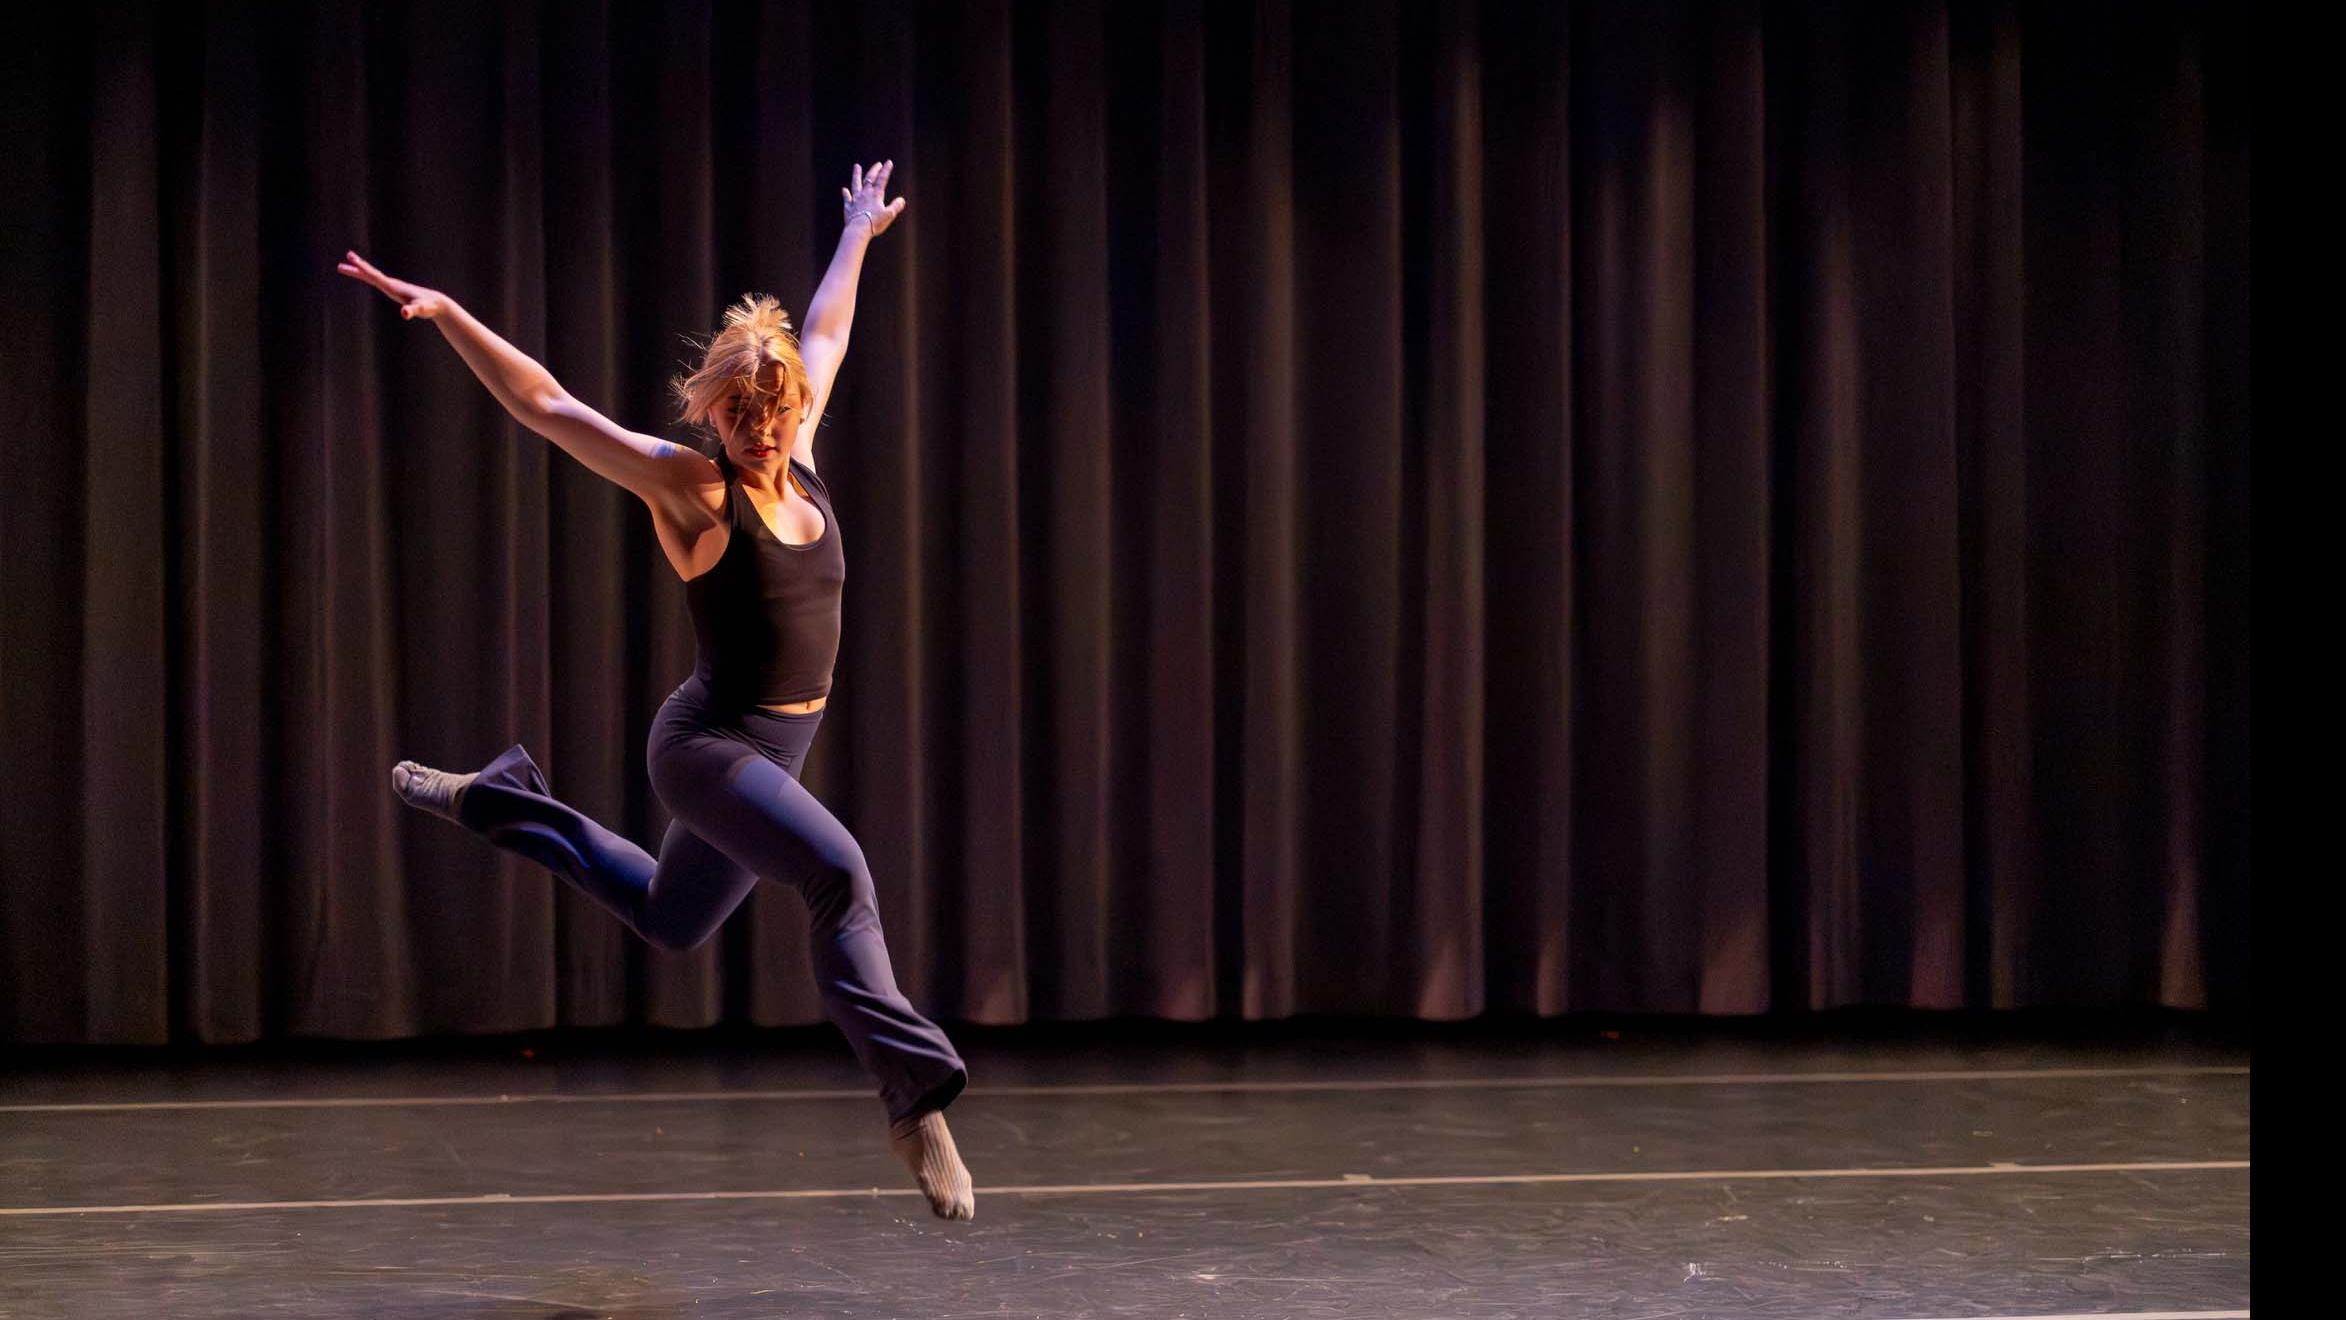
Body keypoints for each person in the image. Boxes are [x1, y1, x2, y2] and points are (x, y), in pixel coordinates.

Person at [339, 160, 974, 1221]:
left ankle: (498, 798)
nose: (761, 430)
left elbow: (824, 329)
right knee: (838, 876)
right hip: (707, 747)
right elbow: (547, 405)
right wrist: (449, 314)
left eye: (773, 411)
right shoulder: (691, 487)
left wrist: (859, 230)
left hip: (780, 750)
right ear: (715, 415)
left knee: (670, 920)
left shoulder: (801, 450)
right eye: (740, 415)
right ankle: (915, 1101)